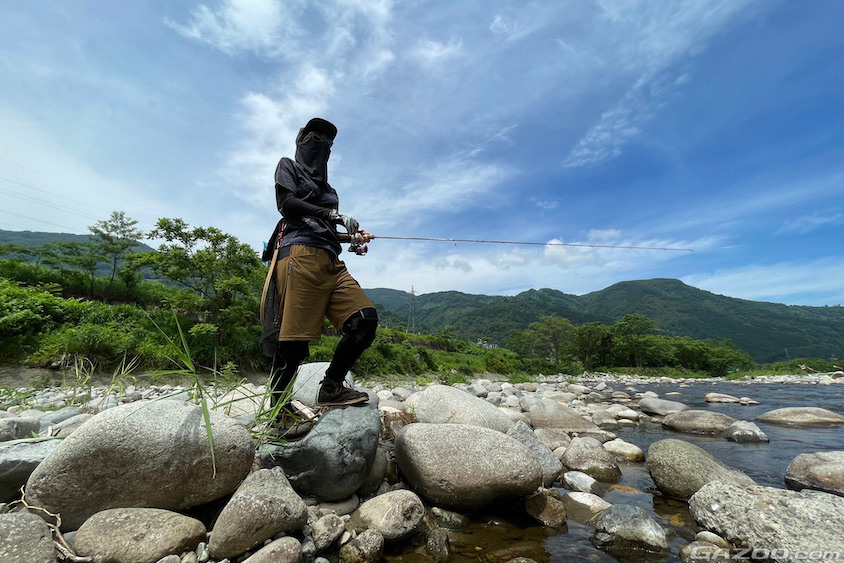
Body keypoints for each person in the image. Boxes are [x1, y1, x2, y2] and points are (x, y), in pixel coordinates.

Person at [264, 117, 377, 433]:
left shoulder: (330, 190)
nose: (322, 144)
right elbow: (287, 204)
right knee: (294, 340)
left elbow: (325, 228)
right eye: (314, 137)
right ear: (301, 140)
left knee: (364, 320)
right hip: (299, 254)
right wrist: (333, 215)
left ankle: (331, 388)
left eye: (328, 141)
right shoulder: (288, 166)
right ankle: (278, 410)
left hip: (331, 260)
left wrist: (350, 239)